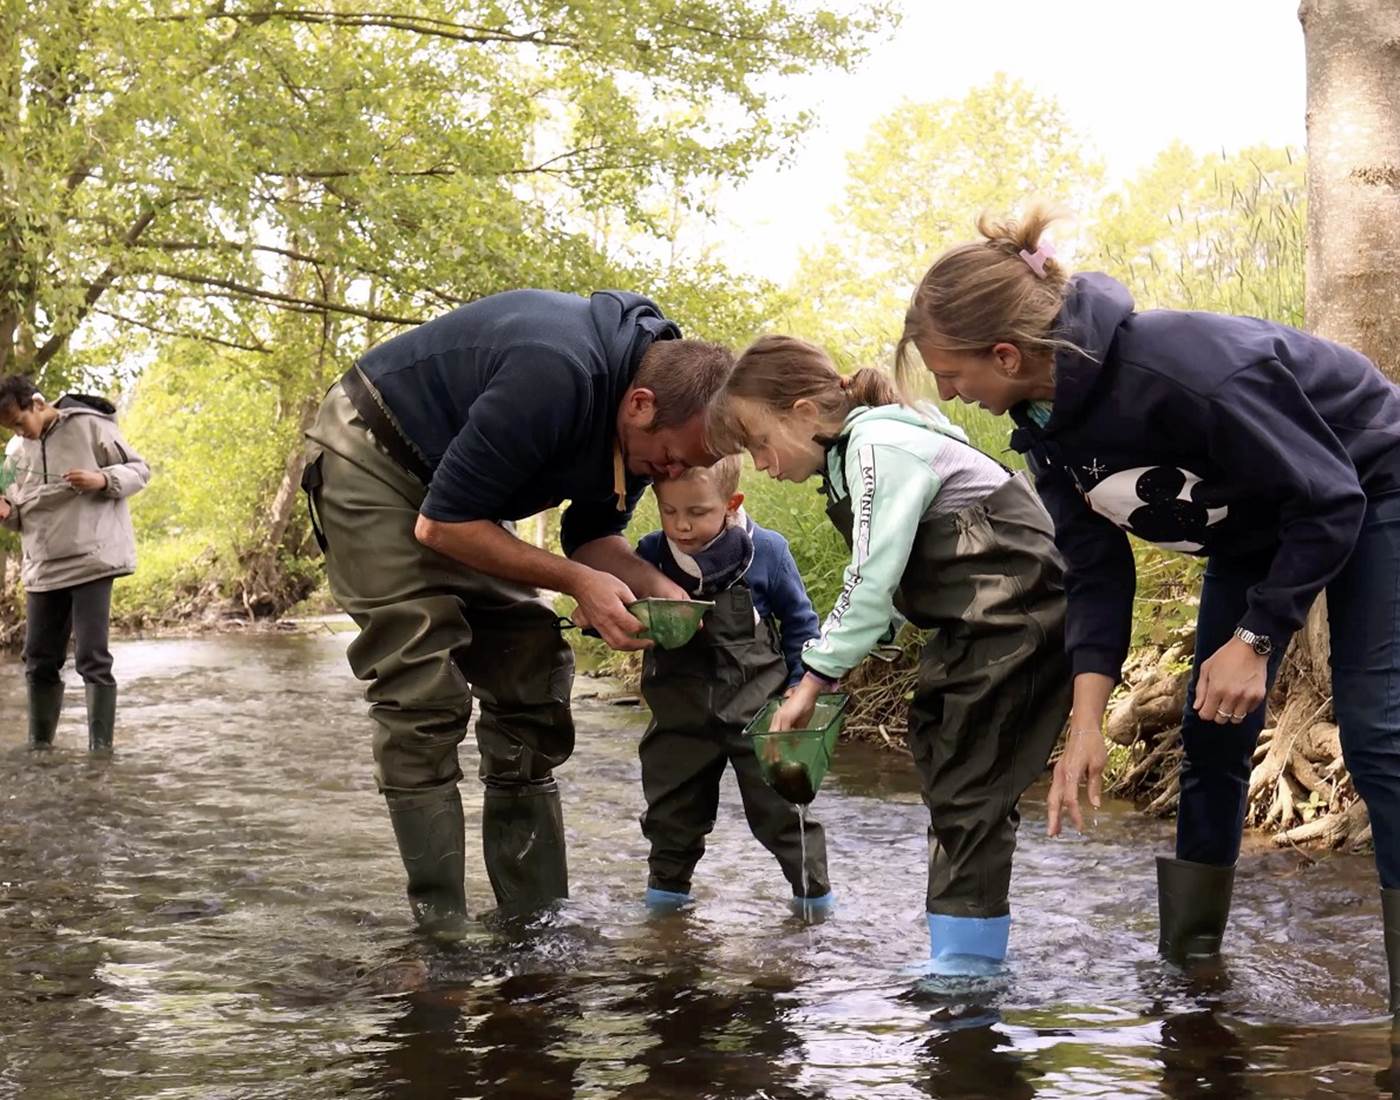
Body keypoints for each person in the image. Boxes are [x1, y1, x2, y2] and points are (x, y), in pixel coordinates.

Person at [899, 205, 1400, 1010]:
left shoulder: (1184, 370)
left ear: (1006, 354)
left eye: (952, 375)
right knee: (1211, 734)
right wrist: (1086, 725)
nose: (952, 394)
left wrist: (1255, 636)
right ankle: (1191, 979)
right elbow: (1097, 576)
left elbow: (1331, 497)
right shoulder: (1045, 431)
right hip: (1255, 525)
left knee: (1377, 732)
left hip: (1371, 486)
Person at [301, 289, 732, 933]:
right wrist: (578, 584)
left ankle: (534, 927)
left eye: (688, 466)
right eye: (672, 458)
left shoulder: (649, 425)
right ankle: (441, 934)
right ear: (640, 405)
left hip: (457, 494)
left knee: (533, 673)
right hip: (374, 454)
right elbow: (442, 526)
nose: (670, 472)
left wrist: (655, 586)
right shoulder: (554, 371)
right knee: (422, 688)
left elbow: (593, 537)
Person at [714, 337, 1070, 974]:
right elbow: (902, 572)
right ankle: (961, 952)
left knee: (968, 785)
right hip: (981, 622)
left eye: (760, 442)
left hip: (1018, 615)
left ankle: (966, 972)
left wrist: (812, 681)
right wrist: (845, 661)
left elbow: (871, 577)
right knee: (940, 749)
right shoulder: (856, 454)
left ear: (802, 413)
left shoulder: (877, 446)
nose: (762, 465)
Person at [633, 456, 830, 914]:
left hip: (759, 716)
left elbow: (801, 625)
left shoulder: (768, 551)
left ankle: (815, 910)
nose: (681, 526)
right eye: (669, 511)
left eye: (697, 512)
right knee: (670, 816)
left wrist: (800, 687)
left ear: (731, 503)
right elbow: (621, 607)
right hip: (677, 717)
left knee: (784, 813)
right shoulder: (651, 554)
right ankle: (663, 916)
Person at [0, 376, 150, 752]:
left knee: (91, 657)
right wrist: (5, 511)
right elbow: (15, 509)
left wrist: (102, 479)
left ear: (37, 403)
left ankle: (100, 756)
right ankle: (40, 752)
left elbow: (140, 470)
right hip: (43, 566)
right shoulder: (14, 451)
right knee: (38, 661)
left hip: (92, 560)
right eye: (10, 428)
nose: (19, 433)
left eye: (20, 422)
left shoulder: (91, 425)